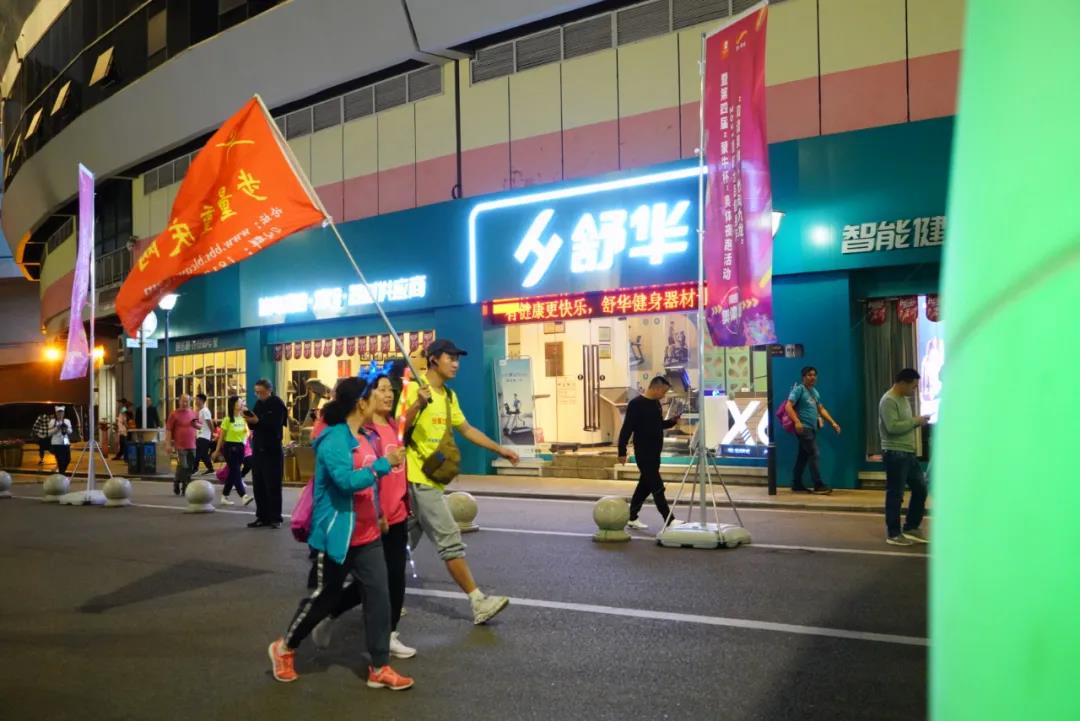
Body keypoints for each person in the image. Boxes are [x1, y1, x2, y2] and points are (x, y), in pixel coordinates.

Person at [268, 376, 413, 691]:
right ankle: (285, 647)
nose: (380, 397)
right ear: (360, 403)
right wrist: (383, 465)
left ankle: (379, 666)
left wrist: (378, 513)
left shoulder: (366, 436)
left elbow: (371, 486)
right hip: (337, 534)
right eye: (373, 394)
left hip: (368, 535)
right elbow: (346, 482)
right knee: (324, 599)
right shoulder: (333, 439)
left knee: (379, 597)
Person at [398, 339, 519, 625]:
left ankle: (373, 592)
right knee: (450, 539)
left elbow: (466, 429)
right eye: (450, 358)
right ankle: (478, 601)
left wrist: (499, 449)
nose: (455, 364)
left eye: (457, 359)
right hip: (417, 478)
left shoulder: (449, 396)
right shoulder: (413, 389)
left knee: (398, 545)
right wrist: (417, 404)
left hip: (432, 479)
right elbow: (397, 428)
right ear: (433, 359)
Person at [310, 374, 416, 659]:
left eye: (390, 390)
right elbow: (355, 475)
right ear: (364, 401)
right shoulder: (363, 432)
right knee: (372, 580)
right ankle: (325, 615)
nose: (388, 394)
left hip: (397, 513)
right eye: (380, 390)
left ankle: (386, 636)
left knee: (392, 577)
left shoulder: (392, 426)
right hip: (370, 517)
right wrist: (379, 512)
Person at [618, 376, 683, 530]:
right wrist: (622, 451)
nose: (664, 395)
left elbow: (658, 424)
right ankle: (669, 519)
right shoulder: (636, 404)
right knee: (657, 486)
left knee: (645, 486)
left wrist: (673, 421)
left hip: (655, 452)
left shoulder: (656, 404)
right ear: (656, 388)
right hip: (643, 452)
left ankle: (632, 517)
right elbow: (627, 428)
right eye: (663, 392)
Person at [878, 368, 931, 546]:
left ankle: (911, 527)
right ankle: (893, 534)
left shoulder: (903, 399)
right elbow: (892, 427)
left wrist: (917, 421)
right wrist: (916, 421)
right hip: (895, 453)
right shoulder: (889, 400)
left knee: (920, 488)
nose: (914, 390)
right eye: (913, 386)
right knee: (896, 494)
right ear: (902, 383)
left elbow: (903, 424)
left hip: (908, 453)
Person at [784, 366, 841, 494]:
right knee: (814, 453)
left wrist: (833, 423)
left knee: (803, 456)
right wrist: (797, 422)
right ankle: (818, 484)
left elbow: (821, 409)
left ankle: (796, 484)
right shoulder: (799, 390)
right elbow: (788, 406)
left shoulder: (814, 392)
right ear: (803, 377)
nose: (813, 377)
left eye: (814, 375)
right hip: (804, 428)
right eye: (809, 375)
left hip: (812, 428)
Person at [246, 379, 287, 528]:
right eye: (256, 392)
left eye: (261, 392)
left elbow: (275, 425)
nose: (258, 395)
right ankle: (262, 517)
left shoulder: (277, 404)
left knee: (273, 485)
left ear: (269, 390)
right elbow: (254, 425)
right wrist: (250, 420)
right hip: (258, 449)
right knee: (259, 485)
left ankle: (275, 518)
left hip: (272, 450)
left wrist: (258, 421)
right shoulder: (258, 404)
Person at [214, 395, 253, 506]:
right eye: (239, 402)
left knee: (232, 472)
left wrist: (246, 437)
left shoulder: (243, 419)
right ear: (233, 405)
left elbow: (248, 433)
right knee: (236, 471)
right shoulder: (227, 420)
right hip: (230, 448)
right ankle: (243, 496)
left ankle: (224, 496)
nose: (242, 404)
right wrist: (217, 451)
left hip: (241, 448)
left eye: (242, 402)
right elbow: (221, 437)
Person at [165, 394, 201, 496]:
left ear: (190, 401)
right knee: (184, 465)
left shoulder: (194, 413)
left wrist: (197, 425)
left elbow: (199, 426)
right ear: (179, 401)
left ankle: (178, 481)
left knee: (189, 466)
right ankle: (184, 484)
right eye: (183, 401)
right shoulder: (174, 414)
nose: (185, 403)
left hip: (192, 444)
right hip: (180, 445)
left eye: (187, 401)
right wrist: (168, 444)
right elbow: (168, 430)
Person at [193, 394, 216, 476]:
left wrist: (212, 433)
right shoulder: (200, 411)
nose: (195, 401)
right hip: (200, 435)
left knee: (202, 453)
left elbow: (210, 422)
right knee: (200, 453)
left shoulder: (205, 411)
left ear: (202, 401)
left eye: (197, 399)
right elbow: (201, 425)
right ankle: (208, 469)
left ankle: (197, 469)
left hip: (205, 436)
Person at [48, 406, 73, 475]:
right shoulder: (53, 421)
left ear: (64, 413)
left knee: (68, 459)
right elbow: (49, 433)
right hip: (56, 443)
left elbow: (70, 431)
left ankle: (61, 473)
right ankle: (62, 474)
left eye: (62, 412)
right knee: (60, 461)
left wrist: (66, 429)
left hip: (65, 442)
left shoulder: (67, 421)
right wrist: (57, 428)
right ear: (56, 413)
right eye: (59, 412)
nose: (60, 414)